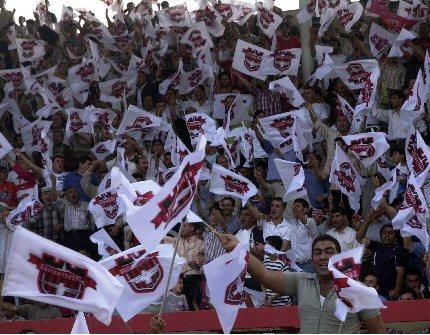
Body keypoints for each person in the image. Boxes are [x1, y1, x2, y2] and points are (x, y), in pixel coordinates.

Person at [220, 233, 386, 333]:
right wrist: (238, 249)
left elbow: (378, 332)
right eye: (317, 252)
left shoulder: (358, 290)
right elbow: (264, 275)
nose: (322, 257)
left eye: (329, 252)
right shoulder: (301, 281)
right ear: (312, 259)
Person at [356, 220, 409, 300]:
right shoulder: (377, 246)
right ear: (380, 236)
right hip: (376, 290)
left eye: (390, 233)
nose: (387, 235)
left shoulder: (399, 250)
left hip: (391, 292)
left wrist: (396, 290)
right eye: (384, 233)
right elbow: (359, 237)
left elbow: (400, 271)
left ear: (395, 236)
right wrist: (368, 220)